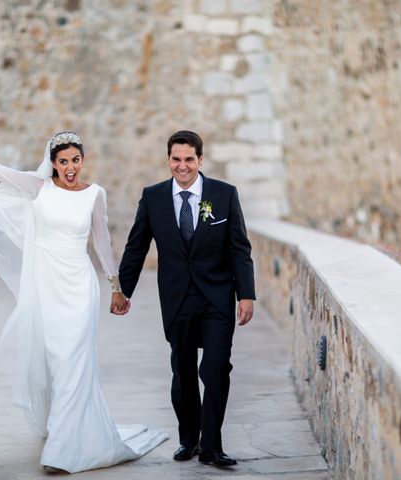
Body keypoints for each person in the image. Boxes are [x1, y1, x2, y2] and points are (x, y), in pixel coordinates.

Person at [0, 128, 168, 474]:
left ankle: (62, 450)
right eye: (63, 162)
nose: (70, 168)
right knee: (57, 363)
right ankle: (70, 432)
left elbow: (102, 242)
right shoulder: (39, 187)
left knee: (75, 361)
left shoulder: (95, 194)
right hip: (47, 289)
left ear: (83, 160)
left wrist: (116, 287)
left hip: (80, 289)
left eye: (75, 160)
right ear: (53, 164)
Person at [118, 130, 255, 467]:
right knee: (183, 371)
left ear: (200, 160)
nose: (182, 166)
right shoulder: (153, 198)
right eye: (176, 159)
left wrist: (246, 294)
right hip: (177, 298)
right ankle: (188, 439)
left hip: (217, 297)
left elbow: (239, 248)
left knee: (216, 367)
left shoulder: (224, 195)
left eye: (189, 159)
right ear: (168, 160)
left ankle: (212, 446)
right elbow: (137, 247)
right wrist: (122, 290)